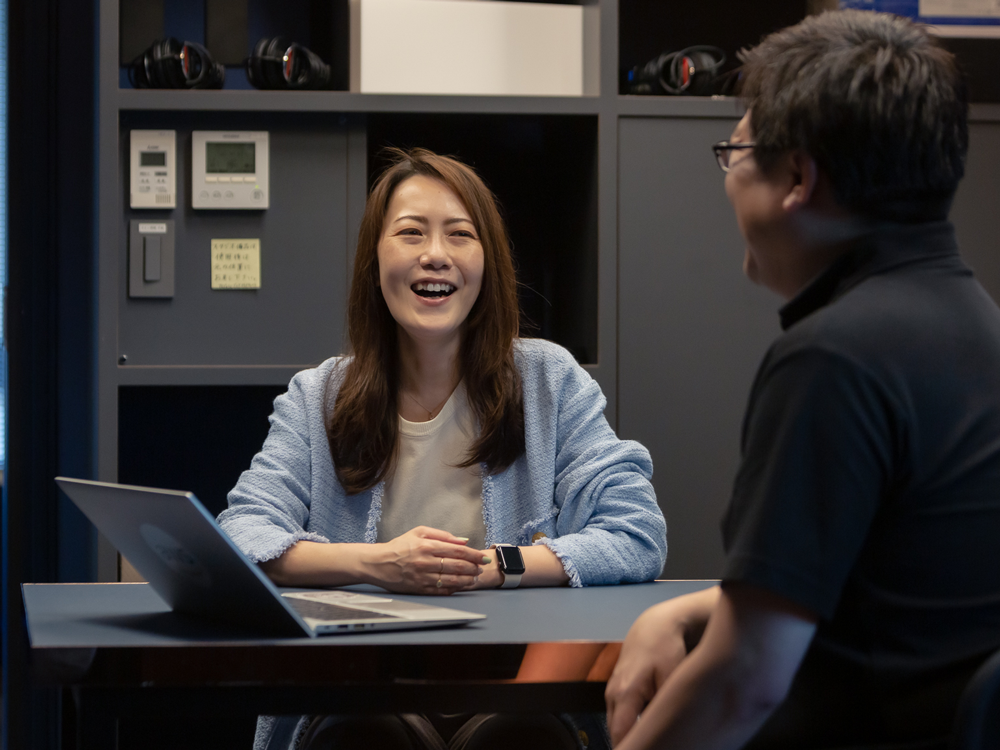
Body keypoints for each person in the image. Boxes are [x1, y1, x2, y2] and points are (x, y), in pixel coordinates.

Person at [605, 10, 1000, 750]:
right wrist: (679, 612)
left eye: (736, 152)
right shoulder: (975, 328)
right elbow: (885, 592)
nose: (728, 181)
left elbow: (745, 677)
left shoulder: (834, 360)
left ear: (796, 177)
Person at [218, 147, 667, 748]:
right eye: (410, 233)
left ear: (488, 263)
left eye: (460, 234)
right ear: (374, 260)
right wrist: (377, 563)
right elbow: (242, 535)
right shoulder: (319, 394)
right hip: (362, 696)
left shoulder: (549, 380)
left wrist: (494, 568)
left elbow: (636, 534)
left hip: (518, 694)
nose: (436, 254)